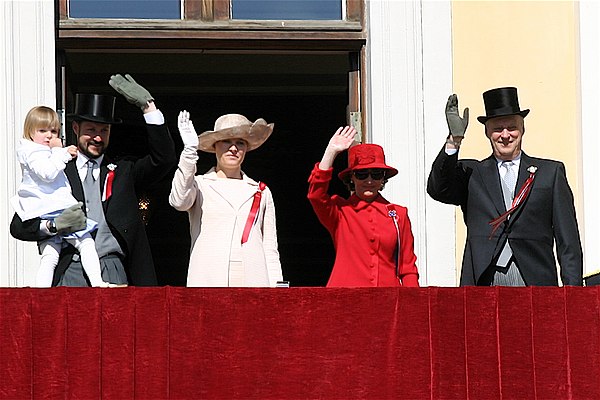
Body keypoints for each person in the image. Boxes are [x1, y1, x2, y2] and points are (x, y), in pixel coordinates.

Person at [10, 74, 177, 286]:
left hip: (113, 269)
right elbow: (19, 226)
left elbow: (164, 160)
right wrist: (53, 226)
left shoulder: (124, 171)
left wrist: (149, 108)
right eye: (91, 130)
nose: (97, 137)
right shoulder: (56, 169)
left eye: (104, 130)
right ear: (75, 129)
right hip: (69, 269)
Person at [427, 87, 583, 286]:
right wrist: (454, 141)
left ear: (522, 129)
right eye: (497, 129)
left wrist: (572, 292)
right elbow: (438, 189)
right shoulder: (472, 173)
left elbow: (568, 240)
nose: (505, 135)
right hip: (484, 280)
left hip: (535, 280)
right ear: (487, 132)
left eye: (512, 127)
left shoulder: (550, 173)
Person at [169, 111, 282, 287]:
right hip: (209, 279)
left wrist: (278, 287)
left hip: (254, 281)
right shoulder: (199, 185)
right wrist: (189, 152)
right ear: (215, 146)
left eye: (240, 143)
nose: (233, 148)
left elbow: (269, 247)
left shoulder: (260, 190)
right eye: (226, 141)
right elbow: (179, 201)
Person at [307, 125, 419, 287]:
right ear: (351, 178)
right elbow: (315, 195)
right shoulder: (340, 211)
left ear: (383, 179)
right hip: (345, 300)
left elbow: (407, 268)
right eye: (361, 174)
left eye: (376, 174)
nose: (369, 181)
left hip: (387, 301)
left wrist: (414, 305)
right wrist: (330, 152)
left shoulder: (398, 214)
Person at [11, 106, 110, 287]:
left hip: (53, 207)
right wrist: (61, 152)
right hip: (52, 209)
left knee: (51, 254)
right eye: (42, 130)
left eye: (53, 131)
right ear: (30, 132)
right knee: (85, 242)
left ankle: (42, 293)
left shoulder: (40, 151)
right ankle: (97, 283)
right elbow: (47, 173)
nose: (49, 136)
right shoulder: (32, 151)